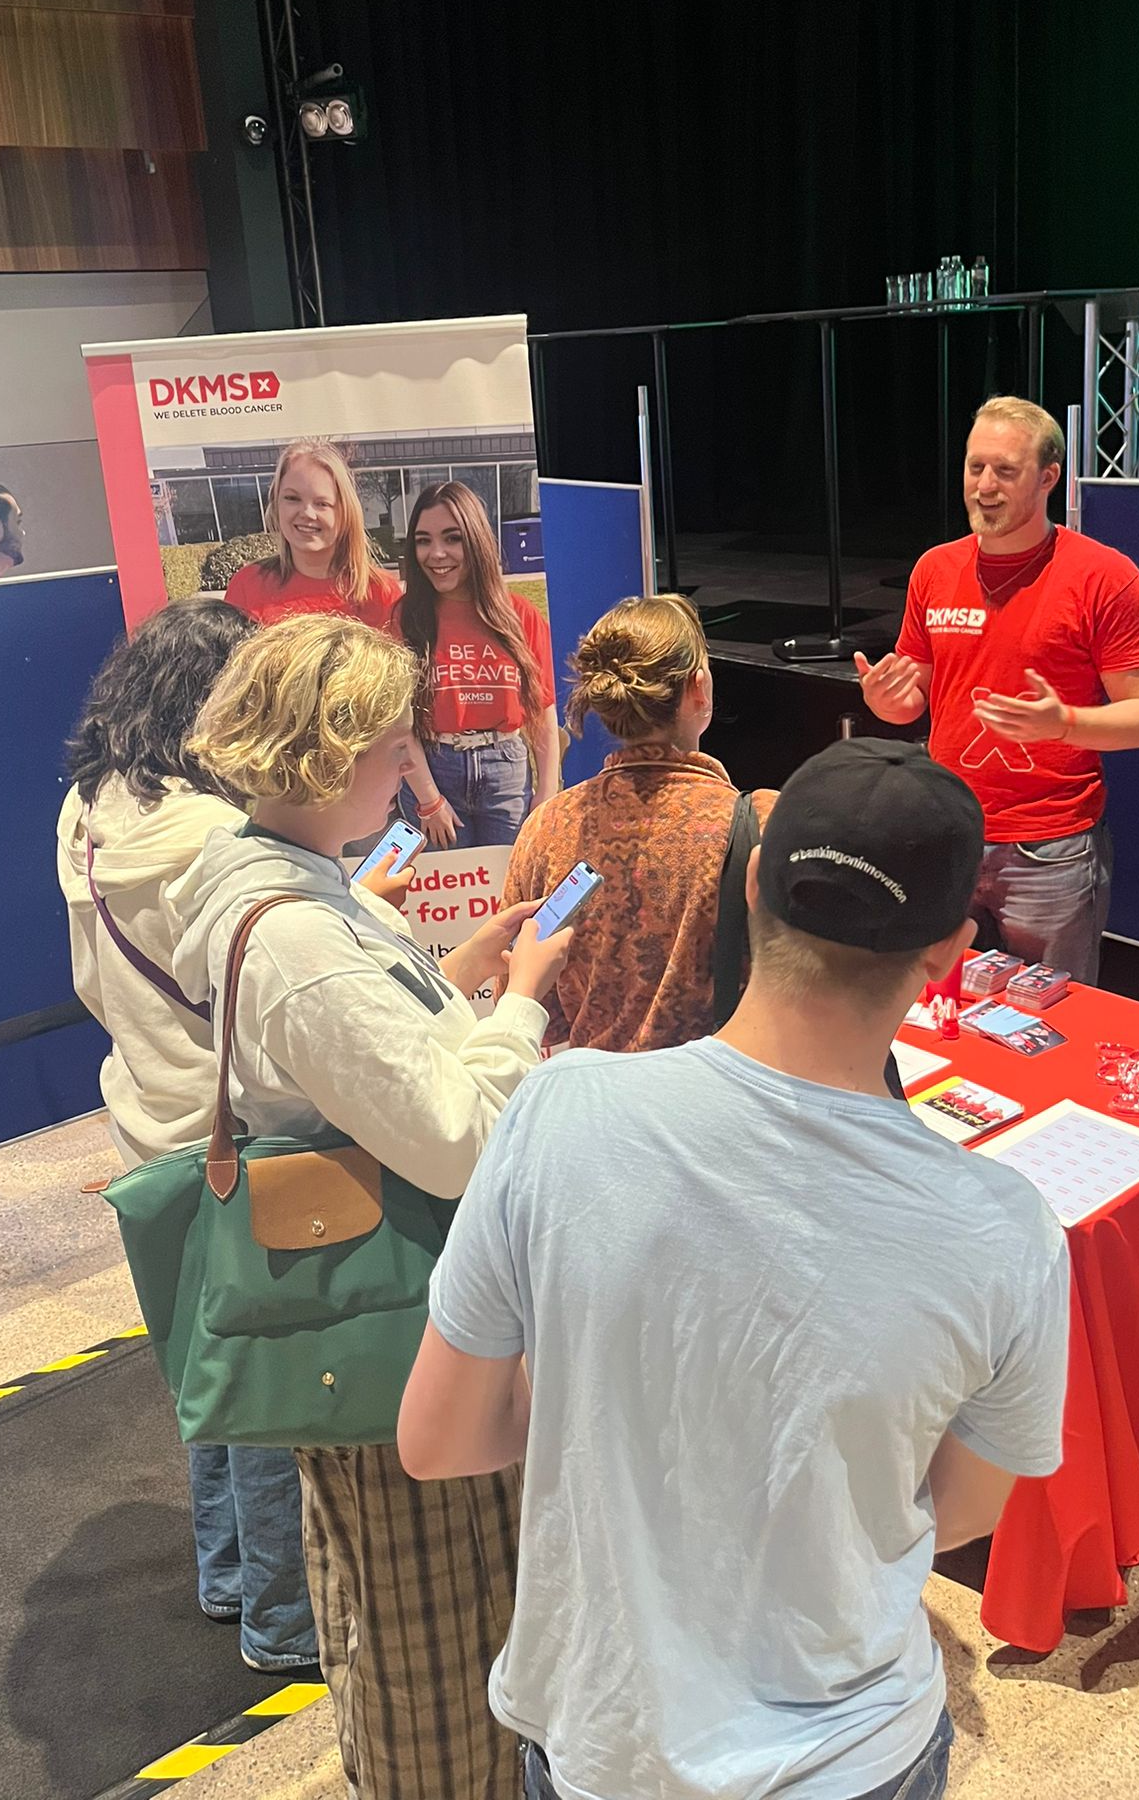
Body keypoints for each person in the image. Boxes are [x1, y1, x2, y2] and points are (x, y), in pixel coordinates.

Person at [400, 738, 1071, 1800]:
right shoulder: (1009, 1228)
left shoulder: (561, 1110)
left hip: (602, 1739)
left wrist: (609, 1386)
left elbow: (437, 1438)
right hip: (857, 1753)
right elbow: (960, 1507)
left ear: (753, 880)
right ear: (949, 948)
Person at [170, 615, 570, 1800]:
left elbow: (363, 1069)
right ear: (326, 754)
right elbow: (454, 1139)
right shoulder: (300, 933)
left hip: (379, 1308)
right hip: (396, 1321)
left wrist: (450, 984)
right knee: (435, 1616)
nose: (409, 766)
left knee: (396, 1583)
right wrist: (527, 1003)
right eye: (394, 745)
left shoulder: (283, 881)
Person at [55, 595, 319, 1675]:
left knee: (206, 1360)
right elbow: (261, 1004)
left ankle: (223, 1574)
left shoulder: (83, 809)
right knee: (268, 1380)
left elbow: (87, 977)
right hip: (238, 1131)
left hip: (145, 1118)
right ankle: (284, 1621)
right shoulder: (219, 836)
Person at [856, 395, 1139, 983]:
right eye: (976, 468)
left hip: (1050, 850)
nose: (985, 486)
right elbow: (915, 692)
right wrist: (889, 702)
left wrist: (1065, 724)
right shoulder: (935, 569)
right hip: (949, 833)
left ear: (1048, 477)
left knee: (1052, 1026)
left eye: (1006, 470)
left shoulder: (1104, 576)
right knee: (941, 1012)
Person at [503, 594, 776, 1051]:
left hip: (597, 1107)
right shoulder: (762, 826)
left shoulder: (545, 830)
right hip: (718, 1109)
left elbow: (534, 1007)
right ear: (700, 689)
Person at [396, 479, 561, 850]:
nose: (436, 553)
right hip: (434, 771)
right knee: (449, 901)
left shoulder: (520, 615)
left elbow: (543, 713)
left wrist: (547, 792)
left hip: (507, 773)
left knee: (512, 893)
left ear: (475, 539)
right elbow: (397, 720)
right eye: (423, 540)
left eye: (452, 538)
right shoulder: (406, 618)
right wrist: (428, 799)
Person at [224, 439, 400, 629]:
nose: (307, 513)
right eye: (292, 498)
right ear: (276, 504)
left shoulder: (382, 593)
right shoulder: (247, 585)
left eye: (322, 503)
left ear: (345, 512)